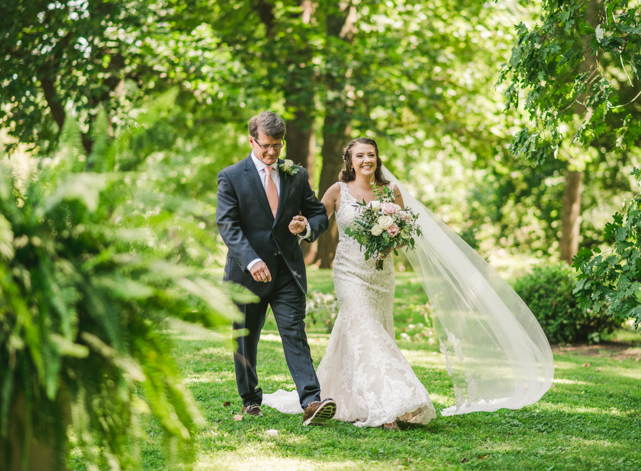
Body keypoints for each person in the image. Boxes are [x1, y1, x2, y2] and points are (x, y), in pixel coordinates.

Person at [263, 136, 554, 427]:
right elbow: (319, 221)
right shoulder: (338, 190)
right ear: (350, 161)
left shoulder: (391, 191)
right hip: (349, 272)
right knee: (364, 328)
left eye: (372, 155)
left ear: (377, 159)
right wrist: (302, 228)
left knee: (368, 332)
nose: (367, 160)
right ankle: (392, 402)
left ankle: (347, 396)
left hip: (381, 274)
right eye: (361, 155)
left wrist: (390, 241)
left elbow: (403, 232)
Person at [216, 111, 336, 426]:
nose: (272, 153)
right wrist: (251, 260)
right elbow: (227, 225)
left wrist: (306, 225)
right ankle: (251, 401)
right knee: (245, 338)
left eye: (277, 146)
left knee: (295, 334)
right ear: (252, 140)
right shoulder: (230, 176)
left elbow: (319, 214)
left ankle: (311, 401)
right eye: (266, 146)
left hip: (287, 272)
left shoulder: (295, 173)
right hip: (246, 274)